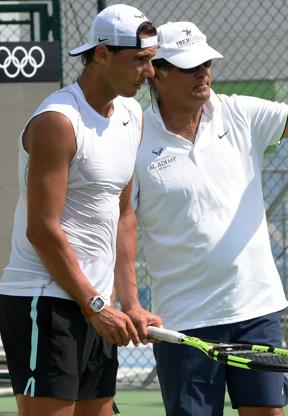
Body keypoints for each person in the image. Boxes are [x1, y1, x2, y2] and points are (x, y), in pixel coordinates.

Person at [132, 21, 288, 416]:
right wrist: (126, 300)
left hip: (255, 310)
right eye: (190, 65)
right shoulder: (134, 137)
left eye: (207, 62)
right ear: (156, 73)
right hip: (183, 321)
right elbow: (121, 227)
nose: (204, 72)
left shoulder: (240, 112)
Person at [0, 4, 162, 416]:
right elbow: (42, 229)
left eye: (152, 60)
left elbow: (124, 214)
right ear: (103, 54)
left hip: (96, 305)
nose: (150, 72)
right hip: (46, 301)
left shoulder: (131, 114)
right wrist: (95, 305)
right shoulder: (58, 121)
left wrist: (129, 302)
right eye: (140, 61)